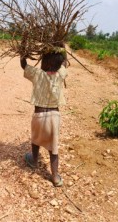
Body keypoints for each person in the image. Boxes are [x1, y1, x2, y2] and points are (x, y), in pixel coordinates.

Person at [20, 48, 68, 187]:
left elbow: (24, 65)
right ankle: (55, 177)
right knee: (53, 149)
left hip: (39, 116)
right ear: (59, 65)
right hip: (54, 117)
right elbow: (65, 62)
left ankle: (34, 160)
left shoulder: (37, 74)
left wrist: (22, 51)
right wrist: (61, 46)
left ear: (44, 63)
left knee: (35, 139)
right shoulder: (60, 74)